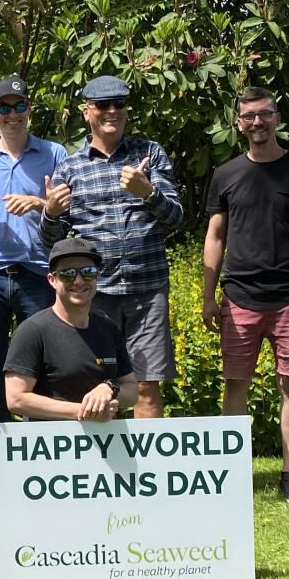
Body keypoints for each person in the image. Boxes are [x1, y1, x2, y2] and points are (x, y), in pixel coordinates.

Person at [201, 87, 289, 504]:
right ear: (238, 123)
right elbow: (215, 236)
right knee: (235, 384)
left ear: (277, 117)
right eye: (248, 116)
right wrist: (209, 296)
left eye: (264, 114)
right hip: (239, 295)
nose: (256, 122)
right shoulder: (225, 174)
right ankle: (231, 472)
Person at [40, 74, 181, 419]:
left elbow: (175, 218)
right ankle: (100, 470)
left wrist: (147, 192)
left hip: (146, 289)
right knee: (93, 386)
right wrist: (51, 213)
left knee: (146, 385)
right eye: (103, 105)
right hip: (93, 293)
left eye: (119, 104)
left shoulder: (149, 153)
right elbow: (50, 244)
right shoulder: (70, 167)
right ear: (86, 111)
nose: (112, 111)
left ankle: (147, 471)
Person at [0, 76, 68, 479]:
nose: (12, 115)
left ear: (29, 109)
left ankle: (44, 452)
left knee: (44, 364)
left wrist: (39, 202)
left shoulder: (54, 153)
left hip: (38, 271)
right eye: (4, 108)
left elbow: (68, 208)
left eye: (18, 106)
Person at [3, 237, 137, 423]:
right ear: (52, 280)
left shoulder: (108, 328)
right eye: (67, 274)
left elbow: (131, 391)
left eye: (88, 272)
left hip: (105, 443)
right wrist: (84, 411)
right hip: (51, 445)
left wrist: (109, 389)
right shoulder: (32, 331)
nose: (79, 281)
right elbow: (16, 399)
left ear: (97, 276)